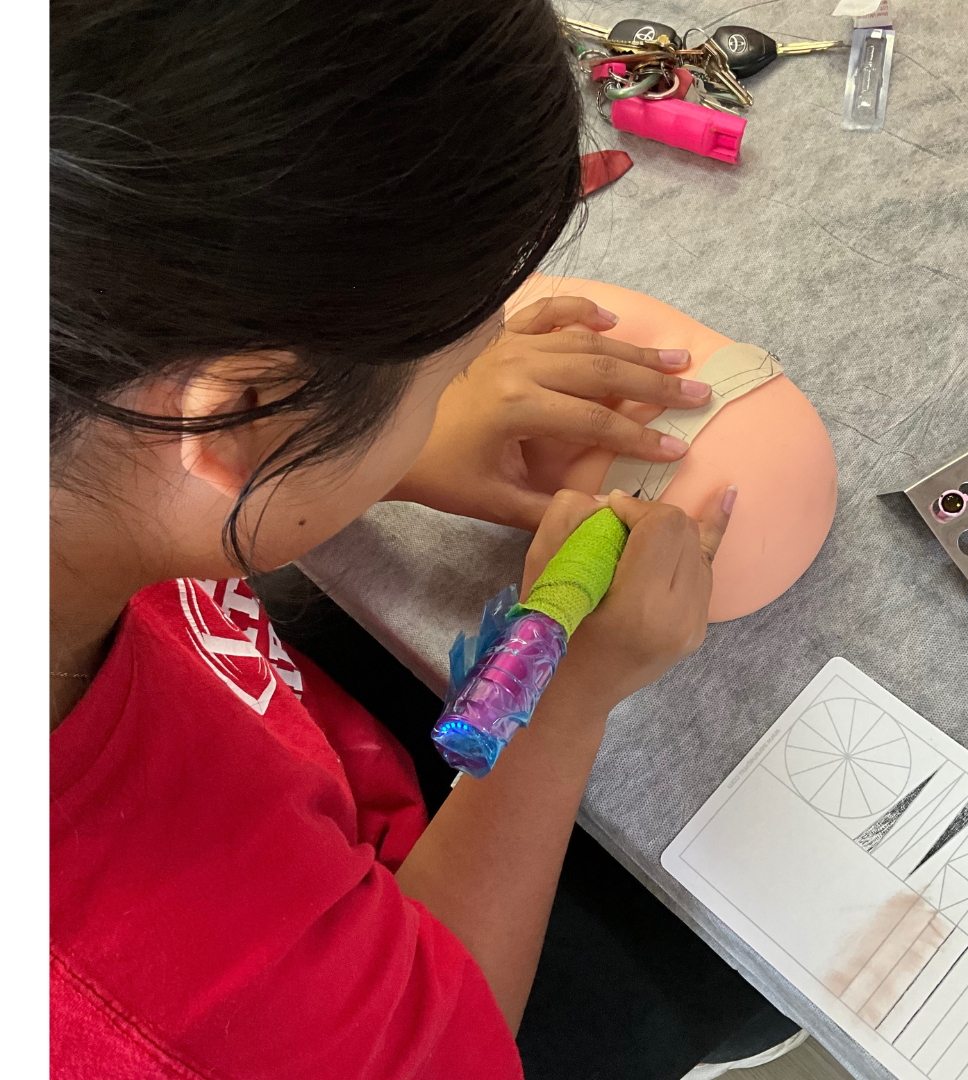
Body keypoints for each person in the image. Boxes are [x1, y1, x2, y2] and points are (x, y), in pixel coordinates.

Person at [50, 1, 752, 1077]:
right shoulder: (153, 991)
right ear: (241, 417)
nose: (455, 394)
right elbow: (444, 1037)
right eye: (447, 376)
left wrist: (372, 446)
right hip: (391, 948)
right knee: (707, 977)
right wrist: (559, 692)